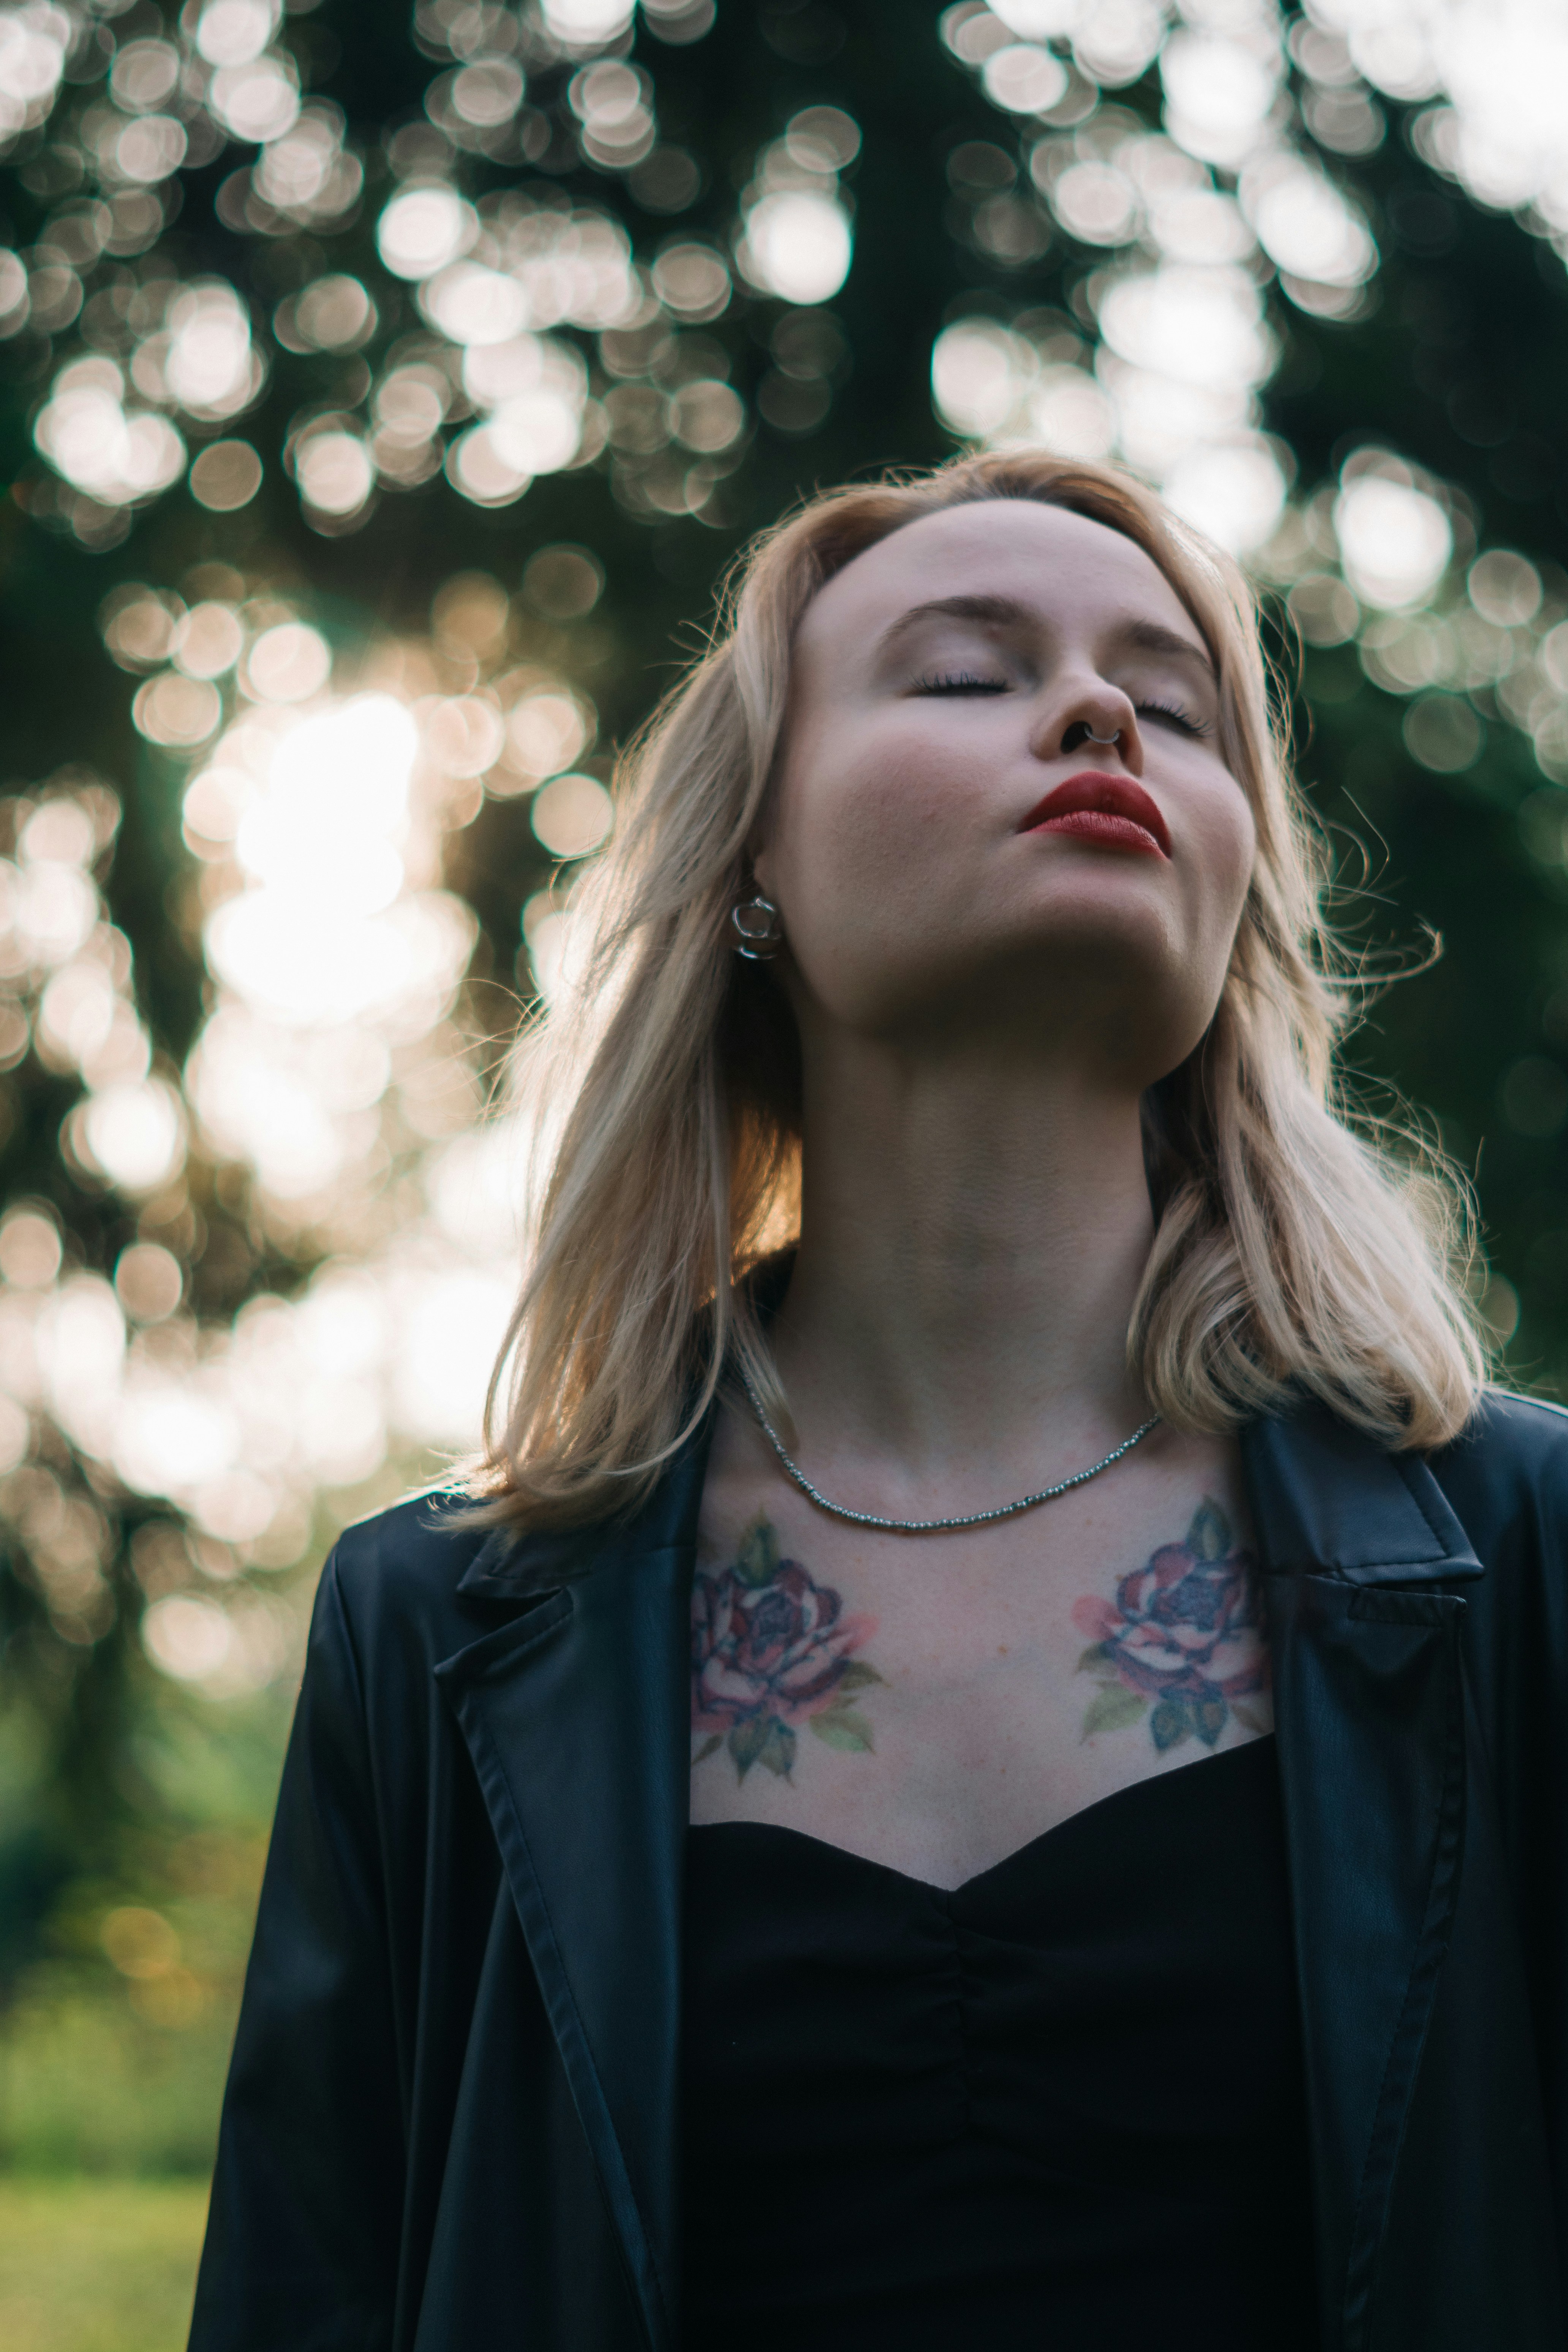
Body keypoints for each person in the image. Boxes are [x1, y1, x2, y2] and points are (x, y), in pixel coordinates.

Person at [187, 454, 1568, 2352]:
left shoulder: (1522, 1560)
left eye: (1171, 704)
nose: (1098, 713)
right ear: (752, 859)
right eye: (966, 672)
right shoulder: (435, 1631)